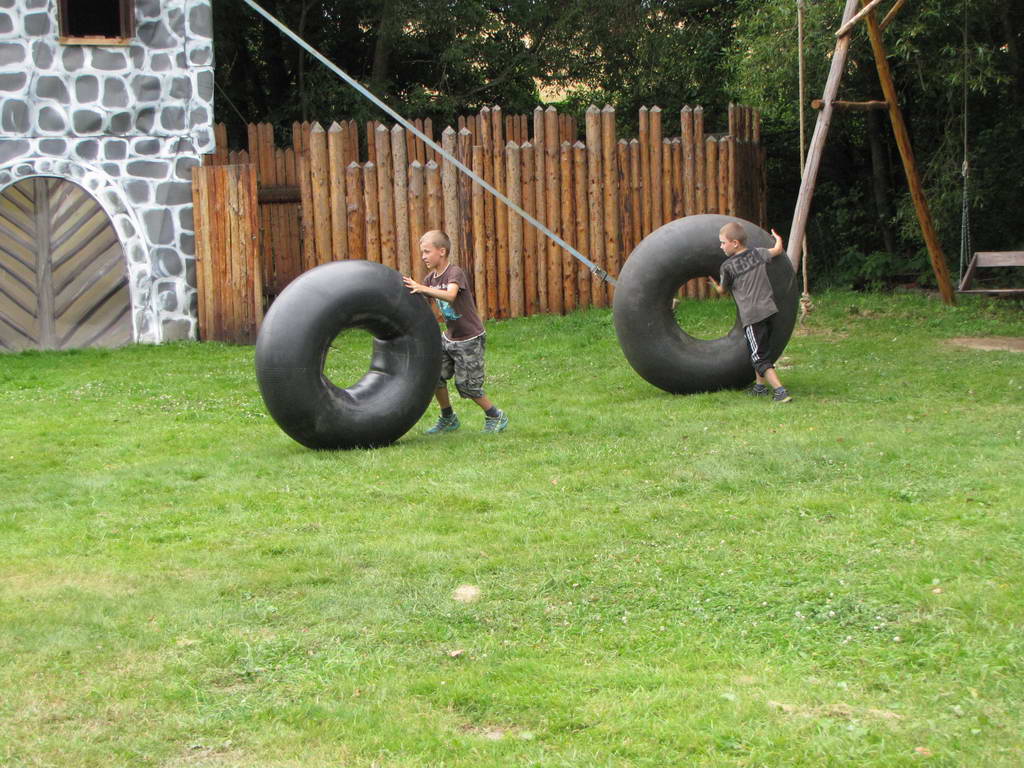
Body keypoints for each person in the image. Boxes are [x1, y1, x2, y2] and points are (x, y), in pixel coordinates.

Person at [403, 230, 509, 433]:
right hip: (450, 338)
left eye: (427, 252)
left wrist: (422, 288)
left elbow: (451, 295)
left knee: (467, 385)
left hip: (469, 338)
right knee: (434, 376)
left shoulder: (454, 273)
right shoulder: (430, 279)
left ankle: (496, 415)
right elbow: (419, 301)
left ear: (442, 251)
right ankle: (448, 418)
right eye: (422, 252)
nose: (423, 256)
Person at [707, 221, 793, 403]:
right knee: (761, 349)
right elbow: (778, 250)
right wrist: (777, 238)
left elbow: (723, 290)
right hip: (769, 310)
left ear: (735, 243)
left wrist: (715, 286)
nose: (721, 246)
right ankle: (760, 388)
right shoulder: (758, 253)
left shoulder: (727, 267)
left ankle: (780, 392)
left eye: (723, 243)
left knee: (758, 356)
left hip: (753, 316)